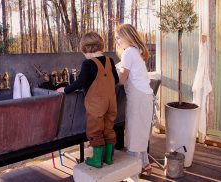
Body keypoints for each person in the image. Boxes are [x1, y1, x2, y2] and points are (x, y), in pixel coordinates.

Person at [57, 32, 119, 168]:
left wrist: (65, 89)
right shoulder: (110, 60)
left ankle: (97, 160)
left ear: (86, 48)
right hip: (111, 102)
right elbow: (117, 80)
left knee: (95, 129)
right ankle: (108, 158)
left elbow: (79, 82)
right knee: (109, 127)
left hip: (96, 104)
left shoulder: (88, 64)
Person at [115, 24, 153, 177]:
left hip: (137, 99)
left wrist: (109, 82)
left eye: (118, 37)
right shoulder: (136, 51)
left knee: (133, 134)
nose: (117, 41)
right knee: (141, 134)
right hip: (146, 98)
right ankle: (145, 164)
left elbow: (122, 80)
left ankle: (133, 174)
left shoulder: (128, 52)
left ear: (127, 36)